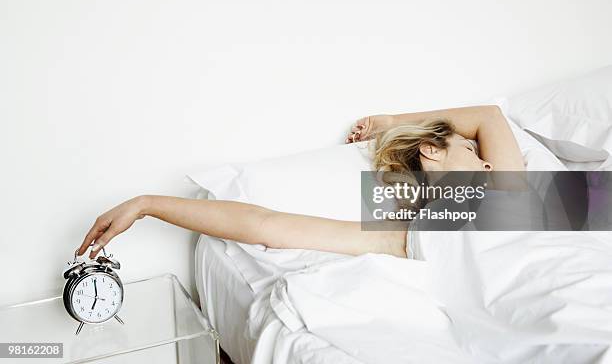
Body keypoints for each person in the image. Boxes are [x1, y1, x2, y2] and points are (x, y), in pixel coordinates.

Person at [76, 105, 525, 261]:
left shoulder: (514, 194)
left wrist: (392, 120)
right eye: (473, 152)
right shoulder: (406, 233)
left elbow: (490, 116)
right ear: (431, 151)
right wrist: (147, 203)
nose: (489, 165)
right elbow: (266, 225)